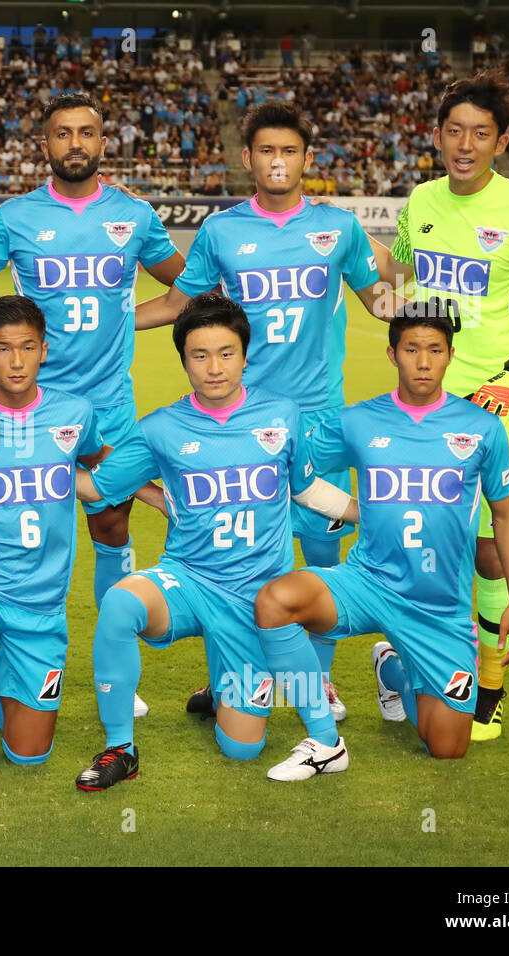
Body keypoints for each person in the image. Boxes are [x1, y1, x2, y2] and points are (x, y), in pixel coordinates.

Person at [134, 100, 401, 722]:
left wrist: (450, 300)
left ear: (309, 159)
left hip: (319, 418)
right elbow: (180, 302)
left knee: (322, 551)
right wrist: (105, 325)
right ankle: (233, 675)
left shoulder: (337, 227)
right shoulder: (222, 232)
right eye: (266, 151)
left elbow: (382, 302)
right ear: (248, 158)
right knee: (233, 550)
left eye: (290, 151)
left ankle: (321, 680)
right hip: (240, 421)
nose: (278, 162)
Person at [0, 92, 187, 719]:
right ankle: (0, 655)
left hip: (108, 405)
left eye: (86, 132)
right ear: (44, 144)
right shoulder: (16, 218)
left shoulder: (134, 215)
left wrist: (123, 324)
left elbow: (185, 290)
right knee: (18, 536)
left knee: (111, 527)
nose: (74, 143)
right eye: (62, 133)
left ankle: (115, 665)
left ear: (103, 142)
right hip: (31, 408)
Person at [367, 70, 509, 740]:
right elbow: (398, 286)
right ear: (436, 136)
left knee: (489, 551)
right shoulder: (421, 201)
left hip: (492, 408)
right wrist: (347, 249)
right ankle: (422, 664)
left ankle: (489, 685)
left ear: (502, 140)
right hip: (422, 407)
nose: (465, 143)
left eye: (480, 133)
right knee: (426, 543)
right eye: (454, 130)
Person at [75, 293, 356, 789]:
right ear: (183, 359)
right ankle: (121, 747)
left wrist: (364, 514)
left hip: (257, 597)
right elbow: (100, 484)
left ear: (246, 355)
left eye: (226, 353)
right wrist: (33, 460)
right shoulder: (161, 427)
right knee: (120, 605)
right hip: (188, 579)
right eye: (199, 355)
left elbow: (306, 487)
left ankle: (225, 682)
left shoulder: (282, 415)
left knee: (242, 748)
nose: (214, 368)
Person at [254, 311, 509, 763]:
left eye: (435, 351)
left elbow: (506, 516)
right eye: (411, 350)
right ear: (392, 354)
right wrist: (350, 510)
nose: (423, 362)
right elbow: (293, 470)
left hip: (439, 607)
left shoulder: (482, 428)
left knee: (447, 748)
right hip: (368, 582)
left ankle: (394, 671)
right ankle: (323, 735)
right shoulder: (359, 421)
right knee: (274, 602)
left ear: (450, 356)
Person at [0, 295, 115, 797]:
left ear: (44, 350)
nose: (16, 360)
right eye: (3, 348)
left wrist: (155, 493)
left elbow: (99, 462)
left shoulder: (75, 412)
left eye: (27, 347)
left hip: (42, 601)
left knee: (29, 754)